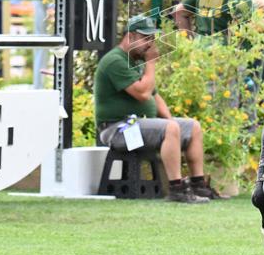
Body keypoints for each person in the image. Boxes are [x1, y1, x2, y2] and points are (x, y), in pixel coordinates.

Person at [94, 14, 219, 203]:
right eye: (145, 38)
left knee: (192, 127)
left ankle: (199, 186)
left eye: (152, 38)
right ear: (130, 36)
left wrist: (170, 121)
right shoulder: (115, 61)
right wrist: (151, 63)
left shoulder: (135, 62)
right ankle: (176, 189)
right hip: (116, 129)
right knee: (171, 128)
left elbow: (154, 95)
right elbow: (143, 93)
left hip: (135, 125)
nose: (150, 44)